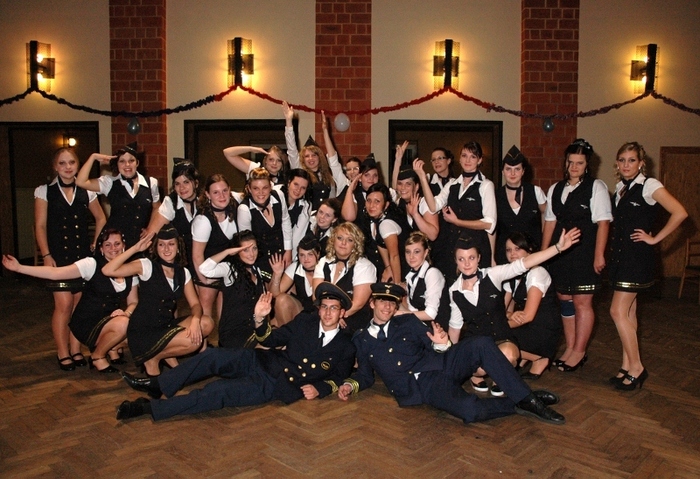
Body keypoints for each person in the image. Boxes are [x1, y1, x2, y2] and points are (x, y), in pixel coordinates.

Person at [116, 283, 357, 421]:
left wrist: (320, 388)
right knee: (213, 356)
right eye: (324, 307)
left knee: (217, 392)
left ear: (342, 313)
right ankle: (158, 384)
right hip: (262, 361)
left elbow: (340, 376)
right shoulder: (305, 322)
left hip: (275, 385)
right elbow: (270, 339)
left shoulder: (345, 346)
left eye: (333, 308)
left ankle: (148, 408)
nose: (327, 313)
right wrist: (259, 319)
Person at [337, 282, 565, 425]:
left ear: (397, 307)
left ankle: (527, 399)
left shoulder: (408, 322)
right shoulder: (361, 339)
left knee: (481, 343)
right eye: (382, 302)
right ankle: (523, 401)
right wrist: (349, 385)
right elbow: (364, 375)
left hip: (442, 362)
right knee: (470, 411)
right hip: (424, 386)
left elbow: (434, 345)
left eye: (392, 303)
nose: (387, 307)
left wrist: (441, 344)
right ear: (372, 304)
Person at [448, 229, 580, 396]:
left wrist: (557, 248)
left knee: (509, 355)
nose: (467, 264)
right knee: (477, 368)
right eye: (461, 259)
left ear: (479, 258)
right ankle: (476, 375)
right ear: (456, 261)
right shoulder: (454, 291)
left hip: (501, 337)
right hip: (477, 340)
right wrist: (451, 360)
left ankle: (499, 377)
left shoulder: (493, 274)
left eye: (471, 258)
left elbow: (525, 263)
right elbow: (455, 328)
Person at [607, 142, 687, 390]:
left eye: (631, 160)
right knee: (629, 313)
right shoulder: (621, 188)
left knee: (617, 311)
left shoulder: (649, 185)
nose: (626, 165)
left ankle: (637, 367)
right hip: (621, 258)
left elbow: (680, 212)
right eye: (622, 160)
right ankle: (626, 365)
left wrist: (655, 239)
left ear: (641, 163)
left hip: (637, 259)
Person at [2, 228, 135, 373]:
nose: (113, 248)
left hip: (110, 320)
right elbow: (55, 273)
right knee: (124, 324)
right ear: (101, 249)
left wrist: (126, 312)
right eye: (107, 245)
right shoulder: (91, 264)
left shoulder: (129, 269)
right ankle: (98, 356)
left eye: (117, 244)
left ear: (124, 246)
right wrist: (19, 268)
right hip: (87, 322)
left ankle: (112, 346)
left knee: (139, 330)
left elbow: (133, 301)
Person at [102, 225, 214, 376]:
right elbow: (107, 270)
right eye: (161, 244)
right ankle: (153, 357)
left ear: (178, 247)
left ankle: (157, 355)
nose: (166, 249)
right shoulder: (146, 266)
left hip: (164, 325)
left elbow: (195, 304)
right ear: (156, 247)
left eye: (171, 244)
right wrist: (135, 249)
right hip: (144, 329)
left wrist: (195, 319)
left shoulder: (183, 272)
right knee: (192, 342)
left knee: (206, 323)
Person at [541, 139, 612, 372]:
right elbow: (550, 223)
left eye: (579, 163)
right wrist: (543, 254)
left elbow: (603, 224)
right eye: (570, 162)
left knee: (582, 301)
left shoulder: (596, 187)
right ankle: (570, 347)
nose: (574, 167)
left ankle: (579, 351)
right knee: (564, 299)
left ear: (587, 164)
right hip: (561, 253)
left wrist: (599, 255)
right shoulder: (555, 189)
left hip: (585, 253)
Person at [34, 147, 107, 370]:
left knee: (78, 304)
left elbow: (101, 218)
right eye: (62, 163)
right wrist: (46, 255)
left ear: (78, 165)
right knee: (64, 304)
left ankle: (76, 349)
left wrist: (95, 244)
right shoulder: (44, 191)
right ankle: (62, 351)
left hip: (81, 257)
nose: (68, 167)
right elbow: (40, 226)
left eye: (72, 162)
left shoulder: (86, 190)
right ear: (55, 167)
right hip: (58, 257)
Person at [421, 141, 497, 281]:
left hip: (476, 249)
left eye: (473, 156)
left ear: (480, 160)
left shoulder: (486, 185)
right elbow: (433, 206)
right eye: (464, 156)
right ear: (459, 158)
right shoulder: (452, 184)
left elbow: (489, 223)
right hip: (454, 249)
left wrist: (457, 222)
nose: (468, 160)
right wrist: (422, 178)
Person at [76, 142, 160, 250]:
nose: (127, 165)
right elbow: (80, 182)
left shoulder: (151, 183)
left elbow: (157, 207)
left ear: (137, 163)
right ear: (117, 164)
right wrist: (93, 157)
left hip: (139, 243)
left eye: (131, 160)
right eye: (122, 161)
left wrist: (150, 228)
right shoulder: (109, 183)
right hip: (114, 246)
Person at [503, 232, 562, 380]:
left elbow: (528, 316)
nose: (512, 254)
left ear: (529, 250)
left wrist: (499, 326)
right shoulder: (511, 274)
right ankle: (525, 356)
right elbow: (503, 309)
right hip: (527, 324)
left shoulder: (537, 272)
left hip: (542, 328)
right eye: (509, 250)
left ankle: (539, 357)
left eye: (517, 249)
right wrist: (509, 315)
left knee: (496, 338)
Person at [198, 230, 266, 348]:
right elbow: (204, 269)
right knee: (268, 347)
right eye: (245, 250)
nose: (251, 254)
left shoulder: (257, 270)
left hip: (253, 328)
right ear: (237, 251)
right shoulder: (230, 269)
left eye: (254, 248)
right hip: (234, 333)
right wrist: (227, 252)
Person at [191, 174, 241, 321]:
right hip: (207, 269)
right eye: (216, 192)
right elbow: (197, 255)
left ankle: (224, 336)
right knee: (205, 314)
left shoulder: (235, 206)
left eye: (225, 191)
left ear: (230, 190)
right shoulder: (203, 220)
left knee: (226, 314)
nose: (222, 196)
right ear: (207, 194)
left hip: (228, 269)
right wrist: (204, 280)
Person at [312, 222, 377, 334]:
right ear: (333, 240)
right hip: (323, 315)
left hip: (352, 318)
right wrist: (327, 316)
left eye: (349, 240)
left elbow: (357, 304)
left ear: (356, 244)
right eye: (340, 238)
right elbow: (316, 296)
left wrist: (336, 317)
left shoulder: (364, 266)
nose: (343, 243)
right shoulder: (323, 261)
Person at [284, 103, 348, 211]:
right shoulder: (300, 172)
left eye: (314, 155)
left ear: (320, 157)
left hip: (326, 217)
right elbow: (292, 150)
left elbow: (333, 159)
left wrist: (325, 131)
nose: (311, 158)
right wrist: (289, 121)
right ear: (303, 159)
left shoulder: (329, 174)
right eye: (307, 156)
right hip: (305, 218)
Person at [146, 158, 201, 276]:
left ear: (196, 183)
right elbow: (152, 235)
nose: (182, 188)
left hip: (204, 260)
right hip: (180, 264)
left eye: (186, 182)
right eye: (177, 184)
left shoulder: (205, 199)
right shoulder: (171, 202)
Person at [237, 167, 293, 280]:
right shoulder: (244, 209)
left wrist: (288, 250)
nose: (261, 193)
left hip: (282, 254)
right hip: (260, 259)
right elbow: (246, 243)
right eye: (256, 188)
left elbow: (286, 221)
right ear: (249, 189)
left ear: (270, 187)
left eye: (265, 188)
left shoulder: (278, 195)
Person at [495, 146, 546, 264]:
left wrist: (543, 247)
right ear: (502, 172)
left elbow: (547, 215)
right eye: (508, 169)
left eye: (517, 169)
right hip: (505, 257)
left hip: (532, 256)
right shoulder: (494, 195)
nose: (512, 173)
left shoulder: (535, 191)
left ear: (523, 171)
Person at [394, 232, 449, 330]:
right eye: (408, 252)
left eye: (416, 252)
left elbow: (431, 314)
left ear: (426, 252)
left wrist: (400, 313)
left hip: (437, 330)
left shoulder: (432, 273)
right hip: (421, 328)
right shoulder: (410, 277)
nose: (411, 256)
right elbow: (412, 310)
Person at [269, 236, 322, 326]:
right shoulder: (295, 267)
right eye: (302, 255)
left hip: (321, 312)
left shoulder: (326, 268)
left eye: (310, 254)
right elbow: (274, 294)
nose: (306, 259)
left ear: (318, 254)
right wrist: (277, 275)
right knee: (281, 300)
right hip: (302, 310)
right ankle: (287, 333)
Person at [362, 183, 410, 283]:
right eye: (369, 200)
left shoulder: (386, 224)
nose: (371, 205)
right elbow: (381, 245)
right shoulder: (374, 220)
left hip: (406, 270)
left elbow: (394, 256)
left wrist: (397, 285)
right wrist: (388, 267)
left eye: (377, 201)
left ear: (386, 204)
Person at [391, 146, 439, 241]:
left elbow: (433, 235)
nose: (403, 188)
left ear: (416, 187)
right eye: (400, 184)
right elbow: (394, 187)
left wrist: (415, 214)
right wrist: (398, 160)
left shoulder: (425, 202)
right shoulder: (399, 201)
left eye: (408, 184)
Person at [275, 168, 311, 258]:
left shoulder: (305, 206)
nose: (298, 190)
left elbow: (297, 235)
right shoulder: (275, 194)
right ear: (288, 182)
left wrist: (289, 256)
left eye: (303, 188)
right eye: (296, 184)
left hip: (286, 250)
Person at [223, 144, 288, 185]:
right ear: (265, 160)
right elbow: (227, 153)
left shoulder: (286, 178)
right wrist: (251, 149)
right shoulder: (255, 169)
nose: (274, 163)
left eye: (279, 160)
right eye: (271, 159)